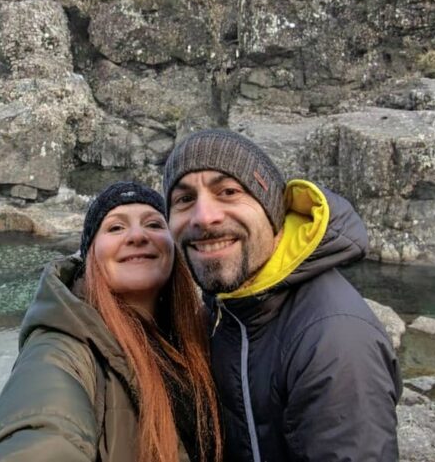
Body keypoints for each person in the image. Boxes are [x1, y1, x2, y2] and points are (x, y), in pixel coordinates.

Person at [163, 128, 402, 462]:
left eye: (229, 191)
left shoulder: (333, 340)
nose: (204, 217)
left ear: (272, 210)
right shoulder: (232, 307)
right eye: (184, 199)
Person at [0, 182, 222, 462]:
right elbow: (40, 432)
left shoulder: (198, 335)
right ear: (90, 254)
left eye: (153, 224)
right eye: (116, 228)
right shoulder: (62, 349)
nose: (138, 235)